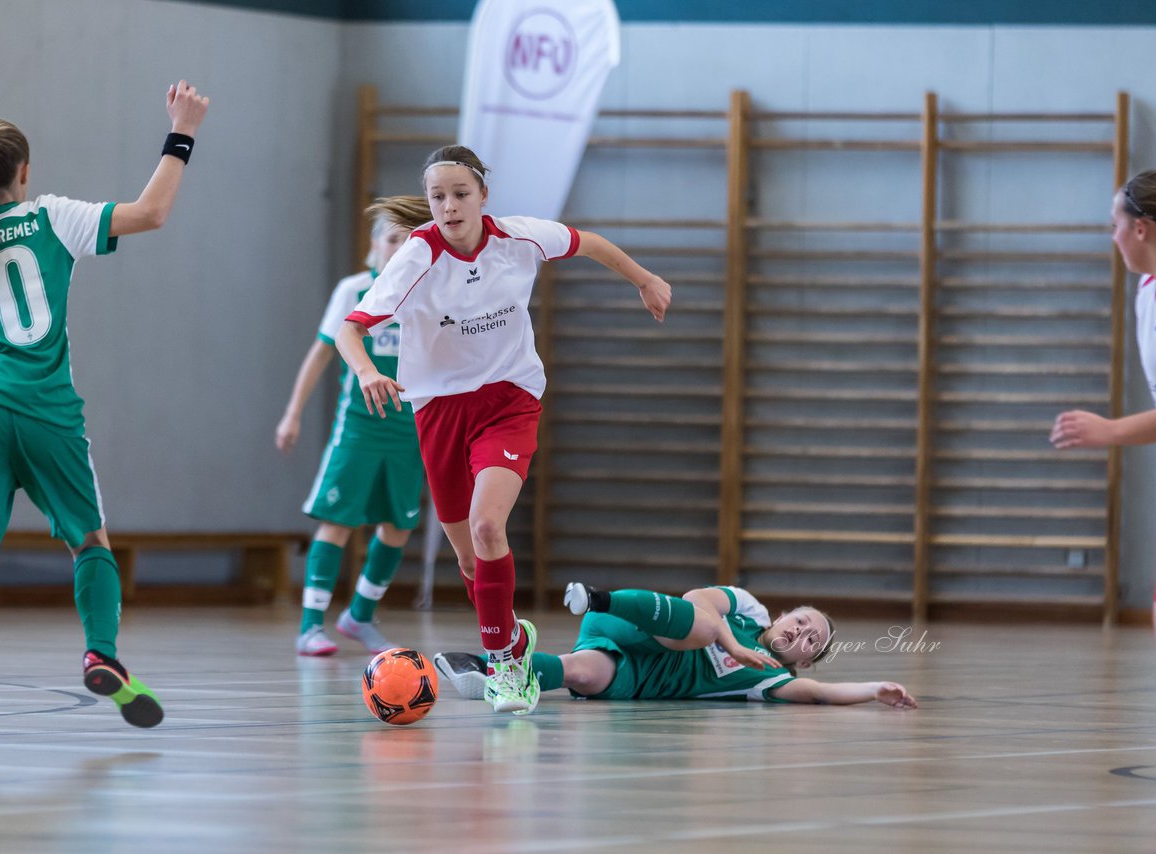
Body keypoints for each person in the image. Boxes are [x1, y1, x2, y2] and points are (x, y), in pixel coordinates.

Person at [0, 81, 210, 748]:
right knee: (87, 542)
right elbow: (152, 213)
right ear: (25, 172)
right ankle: (101, 653)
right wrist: (182, 132)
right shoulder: (51, 218)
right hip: (46, 410)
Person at [335, 145, 673, 715]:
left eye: (460, 194)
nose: (448, 205)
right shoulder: (416, 257)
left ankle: (506, 669)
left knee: (489, 527)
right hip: (439, 409)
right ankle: (511, 637)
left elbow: (587, 242)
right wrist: (368, 371)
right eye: (437, 196)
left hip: (509, 400)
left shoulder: (520, 237)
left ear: (483, 196)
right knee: (470, 562)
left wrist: (643, 278)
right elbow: (351, 329)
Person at [276, 195, 432, 656]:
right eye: (392, 239)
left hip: (409, 433)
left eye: (409, 241)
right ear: (375, 244)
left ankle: (359, 616)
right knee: (337, 521)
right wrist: (293, 412)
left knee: (399, 526)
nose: (399, 247)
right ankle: (310, 626)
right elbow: (323, 351)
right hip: (360, 430)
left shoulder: (425, 297)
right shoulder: (354, 291)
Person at [434, 583, 917, 709]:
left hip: (641, 676)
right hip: (635, 624)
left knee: (584, 672)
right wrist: (732, 641)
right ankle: (595, 597)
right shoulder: (748, 610)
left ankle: (490, 668)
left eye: (811, 642)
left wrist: (876, 688)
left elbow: (818, 694)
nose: (800, 634)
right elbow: (696, 599)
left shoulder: (771, 679)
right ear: (787, 613)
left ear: (804, 660)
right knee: (704, 626)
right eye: (803, 621)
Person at [1052, 169, 1156, 660]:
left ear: (1140, 228)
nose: (1113, 237)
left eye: (1114, 224)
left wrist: (1112, 430)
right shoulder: (1148, 291)